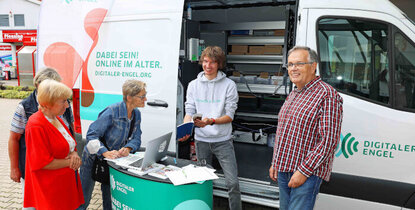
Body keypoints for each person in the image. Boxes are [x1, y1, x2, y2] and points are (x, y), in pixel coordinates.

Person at [269, 46, 343, 210]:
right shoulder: (294, 93)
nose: (293, 68)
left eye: (299, 64)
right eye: (290, 65)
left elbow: (328, 141)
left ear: (313, 66)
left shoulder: (327, 95)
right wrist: (275, 162)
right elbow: (283, 131)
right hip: (284, 169)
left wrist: (303, 172)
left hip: (306, 174)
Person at [179, 46, 241, 210]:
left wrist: (210, 121)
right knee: (204, 182)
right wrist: (186, 128)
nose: (208, 65)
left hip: (223, 141)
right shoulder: (193, 85)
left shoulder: (229, 85)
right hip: (201, 141)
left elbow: (230, 116)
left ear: (219, 64)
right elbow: (189, 110)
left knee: (232, 182)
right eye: (205, 61)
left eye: (213, 62)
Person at [8, 67, 74, 210]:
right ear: (39, 85)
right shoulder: (25, 107)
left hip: (58, 172)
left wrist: (73, 152)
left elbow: (70, 130)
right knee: (35, 204)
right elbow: (14, 138)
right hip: (36, 168)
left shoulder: (63, 105)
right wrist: (14, 168)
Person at [78, 80, 146, 210]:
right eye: (142, 96)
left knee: (110, 198)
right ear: (129, 97)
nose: (145, 99)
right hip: (93, 158)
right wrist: (104, 151)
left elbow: (137, 138)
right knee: (83, 200)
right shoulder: (111, 112)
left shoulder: (136, 114)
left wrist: (128, 148)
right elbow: (91, 136)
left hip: (112, 161)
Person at [24, 79, 84, 209]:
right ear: (47, 104)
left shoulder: (56, 118)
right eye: (63, 101)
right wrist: (71, 162)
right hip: (51, 191)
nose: (67, 105)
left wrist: (74, 153)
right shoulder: (36, 125)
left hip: (63, 186)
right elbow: (41, 162)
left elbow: (70, 144)